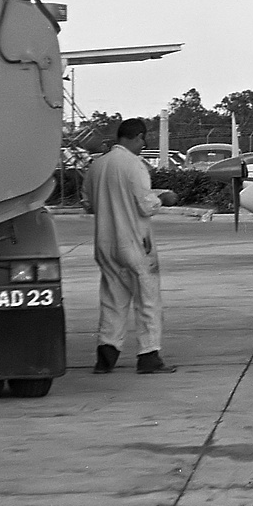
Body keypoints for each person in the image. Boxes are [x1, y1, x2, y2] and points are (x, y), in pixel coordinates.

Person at [83, 118, 174, 375]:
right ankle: (149, 355)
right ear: (137, 137)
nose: (143, 144)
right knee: (147, 298)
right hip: (134, 242)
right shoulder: (135, 166)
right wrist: (163, 198)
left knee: (113, 298)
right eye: (143, 139)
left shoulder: (97, 166)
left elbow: (88, 203)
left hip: (105, 243)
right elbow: (145, 204)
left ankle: (106, 355)